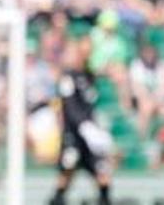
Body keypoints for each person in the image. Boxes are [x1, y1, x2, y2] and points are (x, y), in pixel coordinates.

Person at [49, 38, 113, 205]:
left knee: (103, 173)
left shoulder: (89, 77)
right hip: (74, 136)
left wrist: (96, 127)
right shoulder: (68, 78)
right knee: (67, 171)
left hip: (90, 137)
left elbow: (91, 105)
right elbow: (70, 107)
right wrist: (84, 126)